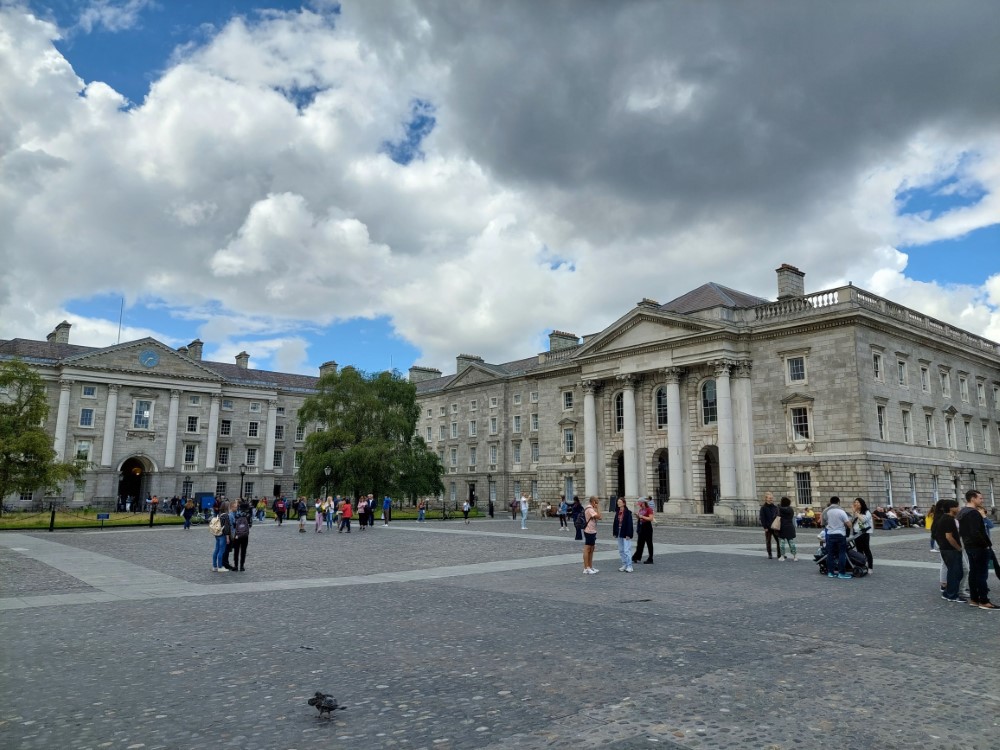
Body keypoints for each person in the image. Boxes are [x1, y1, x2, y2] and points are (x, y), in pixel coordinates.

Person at [957, 490, 997, 610]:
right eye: (980, 498)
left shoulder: (962, 511)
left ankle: (974, 599)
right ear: (973, 498)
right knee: (981, 575)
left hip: (969, 546)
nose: (982, 500)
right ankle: (984, 601)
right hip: (978, 547)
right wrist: (985, 545)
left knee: (973, 573)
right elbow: (976, 532)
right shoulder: (973, 513)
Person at [933, 498, 966, 602]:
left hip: (946, 549)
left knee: (955, 572)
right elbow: (949, 537)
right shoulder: (948, 519)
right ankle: (952, 594)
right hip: (950, 550)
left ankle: (949, 592)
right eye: (957, 506)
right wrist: (958, 548)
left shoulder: (945, 518)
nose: (959, 508)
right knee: (955, 572)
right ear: (951, 508)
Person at [824, 497, 853, 580]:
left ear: (830, 502)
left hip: (830, 534)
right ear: (838, 502)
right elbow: (849, 524)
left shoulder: (827, 511)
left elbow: (823, 522)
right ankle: (841, 573)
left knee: (830, 554)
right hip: (840, 534)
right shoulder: (841, 512)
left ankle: (830, 572)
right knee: (841, 553)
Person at [851, 497, 874, 572]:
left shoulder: (866, 512)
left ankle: (870, 567)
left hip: (864, 533)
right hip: (856, 532)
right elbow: (852, 521)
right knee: (859, 550)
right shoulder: (855, 512)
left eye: (858, 502)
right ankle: (861, 565)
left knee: (866, 549)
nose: (856, 504)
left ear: (862, 504)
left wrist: (856, 513)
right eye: (855, 502)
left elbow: (863, 520)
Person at [611, 497, 634, 573]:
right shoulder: (618, 512)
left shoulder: (628, 512)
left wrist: (628, 534)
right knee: (621, 550)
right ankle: (624, 564)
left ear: (624, 503)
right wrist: (615, 532)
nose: (618, 503)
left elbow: (629, 524)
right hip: (619, 531)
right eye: (618, 502)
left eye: (620, 502)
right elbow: (615, 523)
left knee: (626, 550)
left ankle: (629, 566)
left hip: (625, 532)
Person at [582, 496, 602, 574]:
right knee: (587, 549)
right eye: (596, 502)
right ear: (593, 502)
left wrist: (596, 508)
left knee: (591, 549)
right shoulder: (590, 509)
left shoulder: (592, 509)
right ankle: (586, 568)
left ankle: (590, 566)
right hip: (589, 530)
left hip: (592, 530)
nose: (597, 504)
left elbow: (599, 517)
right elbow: (599, 516)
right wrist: (598, 508)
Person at [230, 500, 251, 571]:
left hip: (237, 535)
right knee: (243, 551)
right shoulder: (248, 515)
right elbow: (250, 525)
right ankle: (242, 566)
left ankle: (236, 566)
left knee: (236, 550)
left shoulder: (237, 514)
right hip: (245, 535)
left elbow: (234, 524)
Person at [632, 499, 655, 564]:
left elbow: (651, 518)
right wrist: (637, 516)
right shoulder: (641, 510)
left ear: (644, 503)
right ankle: (636, 557)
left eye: (640, 504)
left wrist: (642, 516)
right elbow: (640, 518)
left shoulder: (649, 509)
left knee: (649, 543)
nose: (640, 505)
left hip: (647, 527)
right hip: (641, 527)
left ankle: (650, 558)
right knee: (640, 543)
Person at [759, 492, 780, 560]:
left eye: (772, 498)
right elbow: (762, 518)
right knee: (768, 541)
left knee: (778, 540)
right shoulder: (763, 508)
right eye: (770, 498)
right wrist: (765, 527)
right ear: (766, 499)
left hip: (775, 527)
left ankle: (779, 554)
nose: (771, 499)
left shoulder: (775, 507)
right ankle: (769, 553)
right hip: (768, 527)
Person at [777, 496, 797, 561]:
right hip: (789, 527)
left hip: (782, 527)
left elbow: (777, 516)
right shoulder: (790, 510)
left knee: (782, 543)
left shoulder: (779, 509)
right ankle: (795, 556)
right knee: (791, 543)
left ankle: (782, 556)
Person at [211, 500, 229, 572]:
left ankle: (214, 566)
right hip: (222, 535)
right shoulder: (226, 516)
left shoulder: (219, 514)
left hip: (217, 534)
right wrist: (227, 538)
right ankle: (220, 567)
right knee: (221, 551)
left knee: (216, 550)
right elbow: (227, 528)